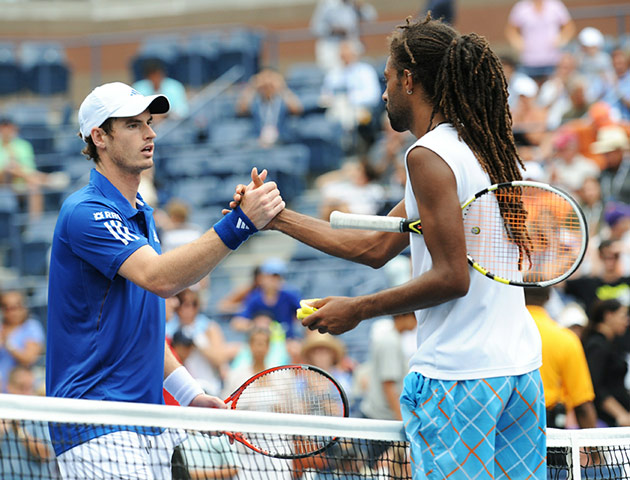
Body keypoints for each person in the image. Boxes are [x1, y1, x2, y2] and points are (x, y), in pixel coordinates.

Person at [230, 15, 546, 478]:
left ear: (409, 80)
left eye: (387, 79)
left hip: (459, 379)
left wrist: (357, 308)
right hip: (519, 374)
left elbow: (451, 277)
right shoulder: (479, 147)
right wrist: (277, 218)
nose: (383, 93)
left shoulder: (427, 156)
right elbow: (376, 247)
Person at [45, 81, 284, 478]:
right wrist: (240, 223)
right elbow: (160, 279)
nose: (151, 132)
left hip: (151, 422)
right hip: (97, 420)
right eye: (134, 125)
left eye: (149, 122)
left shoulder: (142, 215)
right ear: (99, 137)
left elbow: (143, 331)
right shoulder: (84, 212)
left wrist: (190, 394)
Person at [524, 287, 597, 429]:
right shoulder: (565, 338)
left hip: (507, 422)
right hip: (549, 425)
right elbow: (582, 404)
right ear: (548, 298)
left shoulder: (500, 334)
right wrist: (594, 450)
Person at [0, 365, 60, 479]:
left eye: (30, 388)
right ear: (9, 387)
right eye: (21, 387)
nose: (26, 393)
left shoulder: (41, 416)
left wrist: (19, 430)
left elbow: (45, 454)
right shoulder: (2, 414)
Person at [582, 298, 630, 426]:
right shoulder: (597, 345)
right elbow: (595, 386)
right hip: (606, 423)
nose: (626, 321)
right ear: (608, 315)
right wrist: (620, 415)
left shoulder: (609, 344)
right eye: (623, 316)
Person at [504, 0, 576, 84]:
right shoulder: (521, 7)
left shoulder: (555, 5)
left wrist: (561, 40)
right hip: (529, 60)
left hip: (552, 60)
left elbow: (569, 26)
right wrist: (518, 43)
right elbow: (510, 30)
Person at [236, 67, 303, 148]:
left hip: (281, 140)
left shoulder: (282, 100)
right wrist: (252, 86)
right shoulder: (255, 101)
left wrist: (282, 87)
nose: (267, 83)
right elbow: (241, 109)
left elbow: (297, 109)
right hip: (257, 140)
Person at [309, 0, 377, 71]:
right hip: (332, 48)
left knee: (355, 72)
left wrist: (360, 6)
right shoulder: (327, 4)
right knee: (335, 75)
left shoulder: (353, 4)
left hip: (350, 45)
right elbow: (315, 28)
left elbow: (371, 17)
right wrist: (333, 30)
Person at [0, 290, 45, 393]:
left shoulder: (32, 327)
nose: (12, 312)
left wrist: (8, 345)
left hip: (21, 390)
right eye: (6, 308)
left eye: (15, 307)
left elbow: (29, 358)